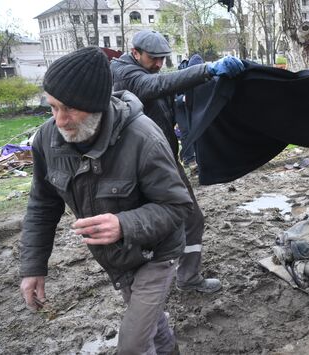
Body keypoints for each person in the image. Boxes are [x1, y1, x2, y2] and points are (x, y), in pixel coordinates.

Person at [19, 47, 191, 354]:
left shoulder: (144, 138)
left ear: (96, 106)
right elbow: (42, 205)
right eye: (53, 107)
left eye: (69, 109)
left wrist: (124, 224)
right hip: (117, 258)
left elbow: (177, 206)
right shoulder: (47, 139)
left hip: (157, 253)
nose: (59, 120)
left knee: (133, 344)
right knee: (151, 325)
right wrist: (33, 267)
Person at [110, 30, 244, 292]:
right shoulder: (124, 74)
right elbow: (155, 87)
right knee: (168, 225)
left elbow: (162, 95)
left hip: (164, 160)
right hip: (142, 169)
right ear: (135, 52)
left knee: (186, 220)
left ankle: (182, 278)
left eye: (163, 59)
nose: (159, 64)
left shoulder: (144, 70)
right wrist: (208, 69)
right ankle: (157, 285)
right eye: (153, 58)